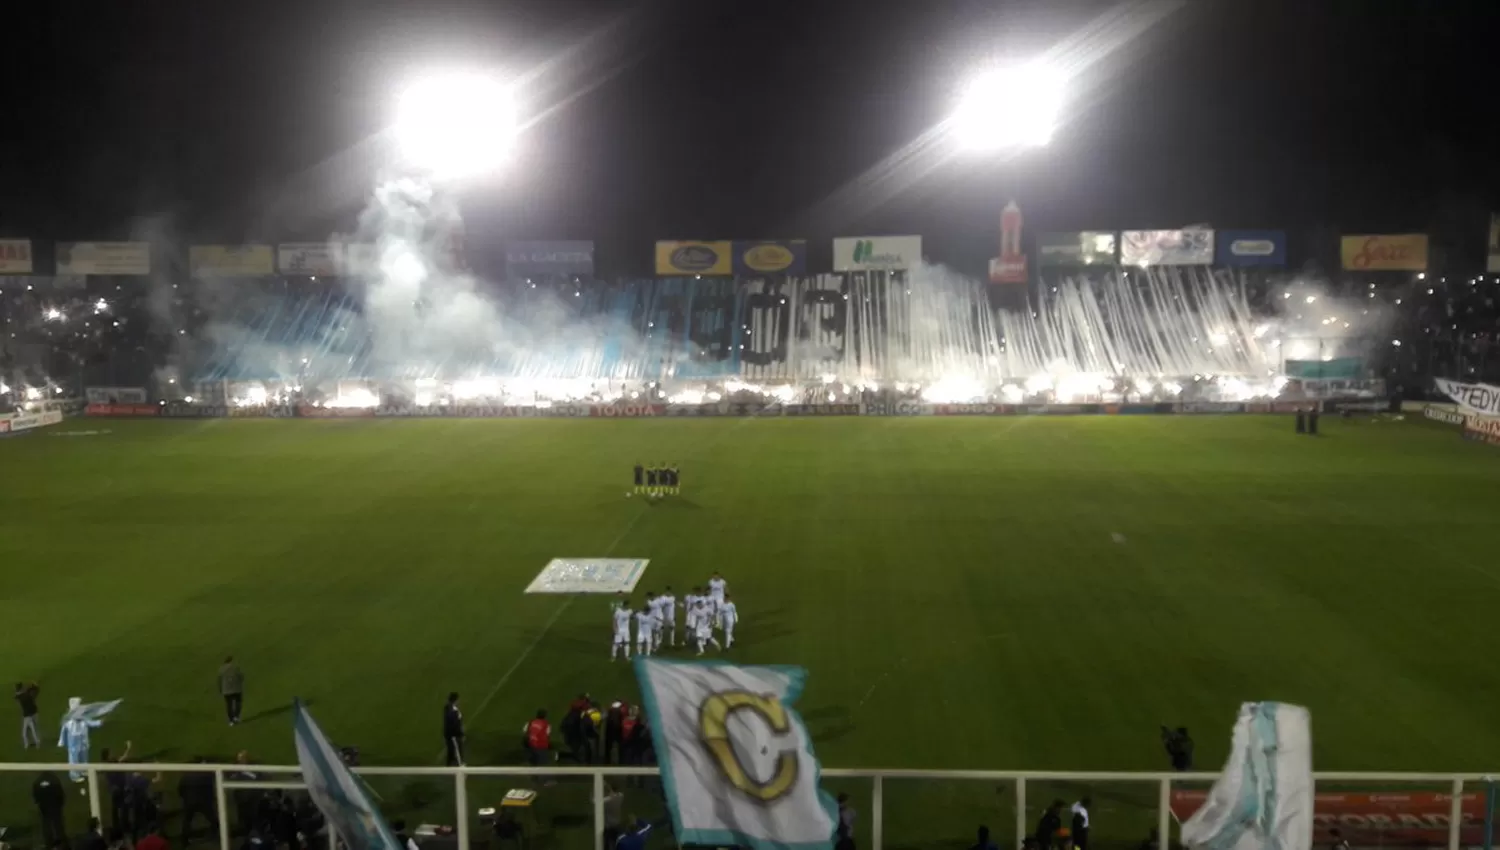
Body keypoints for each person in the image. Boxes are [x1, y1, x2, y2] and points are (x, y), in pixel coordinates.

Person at [177, 759, 218, 847]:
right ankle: (216, 835)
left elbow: (180, 789)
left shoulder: (186, 776)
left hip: (189, 802)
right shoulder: (207, 775)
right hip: (204, 802)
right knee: (213, 819)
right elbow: (210, 790)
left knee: (187, 821)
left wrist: (185, 798)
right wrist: (212, 800)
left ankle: (184, 841)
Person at [100, 743, 135, 838]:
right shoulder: (112, 762)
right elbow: (124, 758)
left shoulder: (106, 764)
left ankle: (117, 828)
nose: (113, 753)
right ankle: (125, 828)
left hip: (114, 790)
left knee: (115, 810)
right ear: (107, 755)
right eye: (110, 753)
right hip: (119, 789)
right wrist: (128, 747)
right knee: (124, 808)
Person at [33, 770, 67, 848]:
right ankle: (62, 842)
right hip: (55, 805)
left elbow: (35, 796)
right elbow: (60, 794)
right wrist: (60, 803)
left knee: (46, 824)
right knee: (58, 824)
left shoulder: (37, 781)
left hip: (44, 806)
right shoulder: (55, 780)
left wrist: (38, 802)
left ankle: (48, 843)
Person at [218, 657, 244, 726]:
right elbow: (241, 676)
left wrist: (221, 689)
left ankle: (231, 720)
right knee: (238, 702)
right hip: (236, 689)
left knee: (229, 705)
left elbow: (219, 680)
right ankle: (236, 716)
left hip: (226, 690)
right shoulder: (235, 667)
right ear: (231, 661)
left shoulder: (221, 669)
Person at [16, 681, 41, 748]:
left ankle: (34, 743)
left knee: (29, 731)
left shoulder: (22, 696)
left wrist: (32, 687)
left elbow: (18, 696)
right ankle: (31, 743)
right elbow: (28, 692)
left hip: (28, 716)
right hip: (28, 715)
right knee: (30, 731)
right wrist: (33, 686)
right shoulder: (25, 695)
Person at [600, 783, 624, 849]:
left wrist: (605, 785)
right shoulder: (621, 797)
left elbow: (608, 798)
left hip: (608, 826)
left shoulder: (607, 801)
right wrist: (609, 787)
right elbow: (616, 794)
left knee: (606, 844)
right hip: (617, 824)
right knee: (616, 842)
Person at [444, 692, 465, 766]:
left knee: (451, 752)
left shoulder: (448, 708)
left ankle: (448, 767)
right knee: (457, 751)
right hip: (454, 736)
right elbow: (455, 724)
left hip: (450, 735)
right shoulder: (452, 711)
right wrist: (460, 734)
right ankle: (460, 767)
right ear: (455, 700)